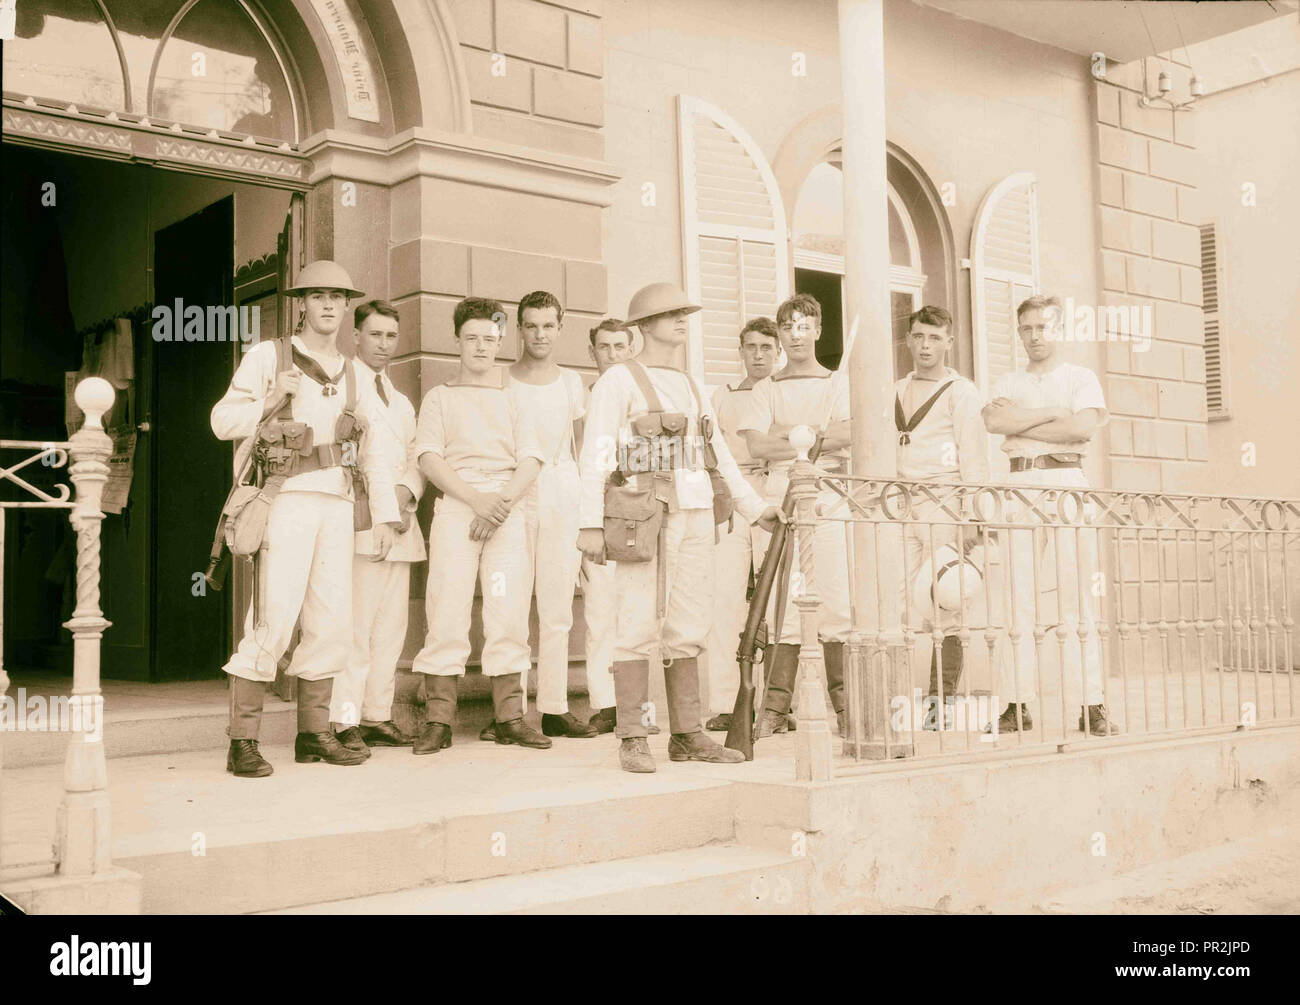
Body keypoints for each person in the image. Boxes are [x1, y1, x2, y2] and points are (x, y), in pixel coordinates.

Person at [577, 283, 781, 773]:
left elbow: (721, 456)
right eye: (670, 315)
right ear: (643, 326)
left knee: (689, 623)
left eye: (684, 313)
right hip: (642, 516)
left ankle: (687, 734)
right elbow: (596, 457)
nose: (681, 321)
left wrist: (756, 508)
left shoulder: (691, 386)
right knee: (634, 622)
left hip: (693, 511)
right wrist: (588, 525)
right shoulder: (619, 382)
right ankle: (631, 734)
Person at [211, 260, 400, 777]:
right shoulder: (269, 356)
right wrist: (271, 401)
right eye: (318, 296)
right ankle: (242, 740)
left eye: (337, 297)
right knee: (273, 616)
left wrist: (383, 518)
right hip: (285, 498)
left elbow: (376, 453)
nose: (328, 305)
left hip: (338, 501)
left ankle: (313, 734)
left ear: (345, 306)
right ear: (302, 303)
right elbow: (221, 421)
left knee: (333, 621)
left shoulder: (357, 373)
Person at [410, 297, 550, 754]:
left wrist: (500, 506)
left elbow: (531, 458)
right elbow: (429, 457)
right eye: (472, 338)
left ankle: (509, 718)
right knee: (446, 607)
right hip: (457, 504)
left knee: (507, 611)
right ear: (457, 341)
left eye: (490, 339)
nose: (481, 347)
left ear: (501, 341)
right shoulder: (440, 397)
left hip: (507, 508)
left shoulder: (514, 399)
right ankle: (438, 721)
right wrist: (475, 502)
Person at [981, 294, 1120, 736]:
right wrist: (1051, 415)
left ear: (1058, 330)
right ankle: (1017, 703)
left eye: (1043, 327)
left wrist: (1024, 422)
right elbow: (993, 423)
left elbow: (1082, 428)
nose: (1035, 336)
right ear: (1019, 332)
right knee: (1015, 594)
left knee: (1076, 594)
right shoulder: (1008, 379)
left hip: (1066, 481)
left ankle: (1090, 703)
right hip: (1020, 482)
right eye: (1027, 328)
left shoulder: (1081, 378)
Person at [739, 294, 853, 737]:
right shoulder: (767, 388)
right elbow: (758, 446)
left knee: (835, 600)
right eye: (788, 327)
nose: (796, 335)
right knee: (783, 600)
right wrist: (812, 439)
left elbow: (850, 434)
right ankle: (774, 707)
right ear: (781, 333)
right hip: (779, 490)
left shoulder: (836, 382)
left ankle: (843, 706)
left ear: (817, 331)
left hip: (828, 491)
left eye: (804, 326)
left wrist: (797, 436)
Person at [495, 290, 598, 740]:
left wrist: (584, 508)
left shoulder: (571, 383)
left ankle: (553, 706)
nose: (540, 334)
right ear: (519, 328)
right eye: (531, 325)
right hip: (516, 489)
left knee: (557, 606)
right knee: (512, 603)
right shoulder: (502, 380)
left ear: (561, 327)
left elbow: (581, 447)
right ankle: (510, 712)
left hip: (560, 487)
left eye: (548, 325)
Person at [328, 300, 424, 755]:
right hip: (363, 518)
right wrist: (384, 507)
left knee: (391, 627)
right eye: (376, 335)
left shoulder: (401, 400)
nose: (384, 344)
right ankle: (344, 718)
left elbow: (416, 455)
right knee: (357, 626)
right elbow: (357, 459)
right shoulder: (345, 389)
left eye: (391, 336)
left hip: (402, 520)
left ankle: (377, 715)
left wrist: (406, 496)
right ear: (356, 337)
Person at [892, 305, 988, 730]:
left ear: (948, 341)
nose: (925, 345)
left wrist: (970, 515)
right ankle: (898, 699)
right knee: (900, 601)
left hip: (945, 500)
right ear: (908, 340)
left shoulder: (962, 391)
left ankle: (940, 702)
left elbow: (975, 455)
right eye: (918, 336)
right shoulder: (896, 389)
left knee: (946, 600)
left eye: (934, 337)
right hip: (900, 503)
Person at [703, 317, 779, 732]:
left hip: (775, 492)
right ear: (741, 352)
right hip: (735, 495)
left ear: (779, 351)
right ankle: (727, 702)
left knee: (774, 601)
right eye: (751, 347)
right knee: (726, 598)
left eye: (767, 347)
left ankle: (774, 705)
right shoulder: (722, 396)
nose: (759, 355)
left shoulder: (782, 393)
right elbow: (709, 452)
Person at [579, 318, 637, 735]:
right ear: (593, 353)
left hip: (634, 514)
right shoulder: (585, 402)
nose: (613, 355)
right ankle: (605, 703)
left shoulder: (637, 401)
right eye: (604, 348)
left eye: (620, 347)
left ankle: (638, 705)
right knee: (599, 612)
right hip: (593, 515)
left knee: (635, 613)